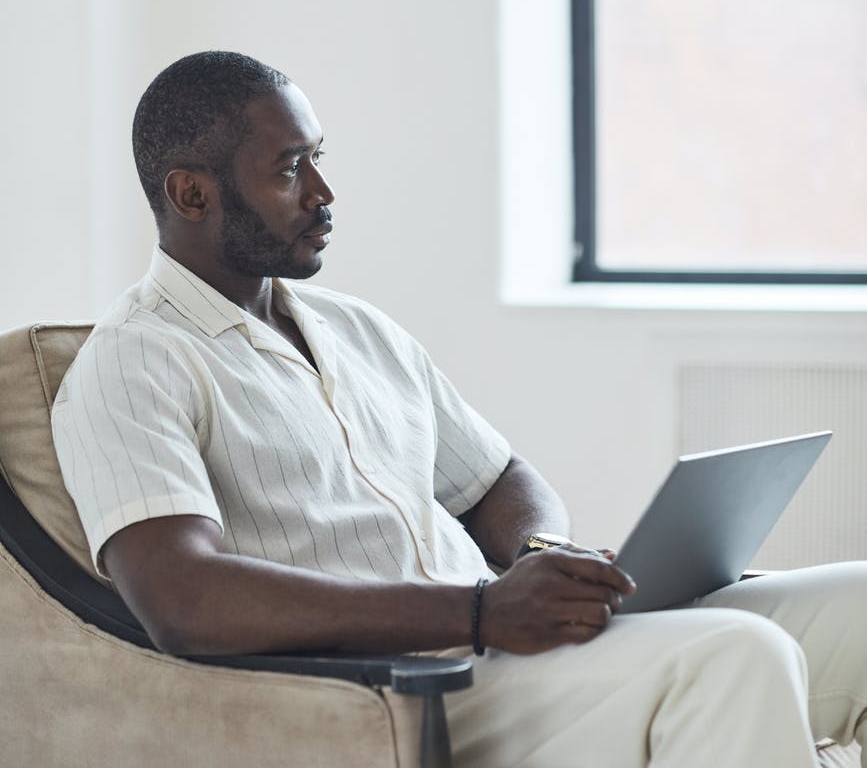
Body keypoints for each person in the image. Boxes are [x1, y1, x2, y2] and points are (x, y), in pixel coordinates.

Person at [52, 50, 867, 768]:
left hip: (507, 641)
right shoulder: (131, 363)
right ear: (192, 194)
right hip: (414, 692)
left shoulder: (356, 328)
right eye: (290, 168)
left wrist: (540, 555)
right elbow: (183, 601)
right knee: (736, 653)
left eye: (318, 159)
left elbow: (496, 478)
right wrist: (478, 612)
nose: (324, 192)